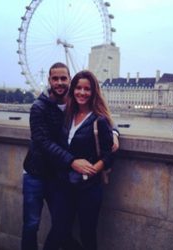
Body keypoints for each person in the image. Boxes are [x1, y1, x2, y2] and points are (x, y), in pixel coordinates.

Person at [21, 62, 119, 250]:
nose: (59, 82)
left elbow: (103, 119)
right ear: (49, 80)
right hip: (37, 173)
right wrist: (72, 162)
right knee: (33, 224)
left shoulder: (72, 106)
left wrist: (114, 132)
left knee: (68, 229)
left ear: (69, 80)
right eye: (55, 78)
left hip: (65, 179)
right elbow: (43, 142)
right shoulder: (39, 108)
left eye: (63, 78)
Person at [63, 70, 115, 250]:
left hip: (88, 188)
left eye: (87, 89)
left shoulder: (98, 120)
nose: (82, 93)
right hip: (65, 185)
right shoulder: (67, 116)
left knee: (87, 234)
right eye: (78, 88)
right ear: (73, 90)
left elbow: (109, 155)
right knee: (62, 232)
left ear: (94, 92)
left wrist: (93, 169)